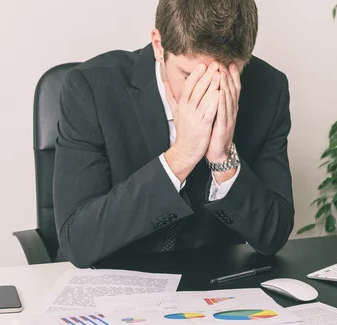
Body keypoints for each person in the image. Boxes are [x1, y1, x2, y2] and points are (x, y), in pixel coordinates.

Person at [53, 0, 294, 268]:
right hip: (108, 280)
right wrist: (181, 157)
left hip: (211, 286)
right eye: (190, 75)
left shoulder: (270, 89)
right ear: (158, 45)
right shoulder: (91, 88)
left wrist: (223, 160)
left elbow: (273, 237)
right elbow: (78, 241)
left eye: (224, 76)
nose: (208, 93)